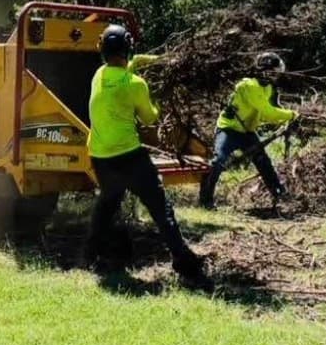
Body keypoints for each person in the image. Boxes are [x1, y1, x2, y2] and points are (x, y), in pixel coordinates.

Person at [84, 24, 206, 283]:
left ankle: (90, 256)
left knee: (106, 205)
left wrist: (147, 61)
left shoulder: (99, 75)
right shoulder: (136, 85)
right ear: (127, 49)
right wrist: (160, 97)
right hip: (129, 157)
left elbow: (125, 69)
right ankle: (184, 262)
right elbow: (150, 118)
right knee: (161, 209)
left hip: (100, 157)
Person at [198, 52, 297, 210]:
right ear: (266, 71)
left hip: (247, 132)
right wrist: (292, 115)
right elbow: (267, 112)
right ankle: (205, 200)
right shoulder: (248, 86)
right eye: (274, 72)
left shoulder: (268, 88)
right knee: (218, 161)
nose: (277, 75)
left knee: (263, 162)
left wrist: (287, 119)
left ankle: (280, 194)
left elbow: (269, 114)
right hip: (228, 129)